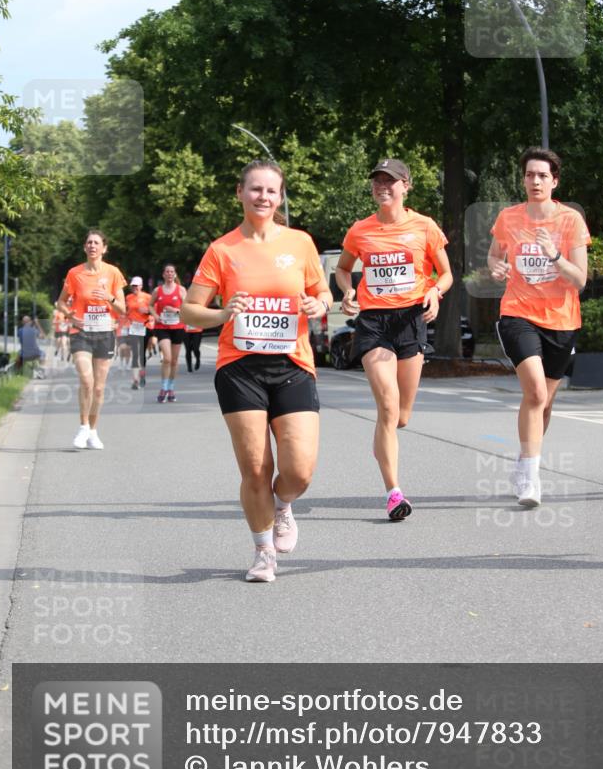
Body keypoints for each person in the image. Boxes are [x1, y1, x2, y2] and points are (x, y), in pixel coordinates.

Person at [182, 158, 332, 583]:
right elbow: (190, 311)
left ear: (280, 196)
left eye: (271, 190)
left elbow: (323, 292)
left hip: (293, 365)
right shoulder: (222, 250)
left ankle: (284, 505)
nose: (263, 197)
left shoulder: (300, 243)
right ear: (240, 193)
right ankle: (263, 552)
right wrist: (223, 312)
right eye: (255, 189)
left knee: (299, 470)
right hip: (239, 368)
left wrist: (318, 304)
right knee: (255, 469)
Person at [336, 158, 453, 521]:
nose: (382, 186)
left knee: (400, 417)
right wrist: (347, 291)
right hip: (373, 323)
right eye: (377, 181)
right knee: (387, 407)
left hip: (410, 321)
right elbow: (343, 268)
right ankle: (394, 492)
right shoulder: (360, 230)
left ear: (406, 186)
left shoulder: (425, 226)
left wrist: (434, 292)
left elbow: (446, 273)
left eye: (390, 181)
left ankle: (383, 440)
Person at [488, 147, 589, 508]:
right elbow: (494, 254)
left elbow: (579, 280)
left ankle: (522, 462)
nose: (535, 181)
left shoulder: (570, 221)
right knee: (534, 393)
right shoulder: (509, 218)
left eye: (542, 175)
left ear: (554, 181)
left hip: (561, 320)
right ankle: (530, 479)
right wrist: (496, 267)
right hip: (518, 313)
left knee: (544, 403)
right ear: (524, 179)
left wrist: (555, 256)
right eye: (530, 174)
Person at [56, 229, 126, 449]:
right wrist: (70, 317)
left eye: (96, 243)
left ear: (104, 248)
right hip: (82, 333)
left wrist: (109, 297)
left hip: (105, 333)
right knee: (87, 380)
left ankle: (93, 431)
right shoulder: (75, 273)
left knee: (98, 387)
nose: (92, 246)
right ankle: (83, 426)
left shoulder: (113, 273)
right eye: (89, 243)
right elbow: (61, 302)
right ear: (85, 247)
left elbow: (122, 309)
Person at [150, 264, 187, 403]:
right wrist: (155, 315)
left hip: (178, 327)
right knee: (167, 358)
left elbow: (188, 308)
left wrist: (175, 310)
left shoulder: (181, 290)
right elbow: (150, 305)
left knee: (175, 361)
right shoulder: (157, 290)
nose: (170, 274)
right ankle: (164, 387)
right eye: (167, 271)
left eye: (172, 271)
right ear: (163, 274)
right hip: (162, 327)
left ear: (175, 274)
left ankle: (171, 388)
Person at [126, 276, 152, 389]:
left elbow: (154, 310)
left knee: (142, 354)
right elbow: (126, 310)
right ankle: (135, 380)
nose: (135, 287)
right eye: (133, 285)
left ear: (141, 286)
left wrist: (147, 311)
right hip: (133, 328)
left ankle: (142, 375)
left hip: (145, 327)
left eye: (137, 285)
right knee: (135, 354)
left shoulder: (148, 297)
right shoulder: (128, 297)